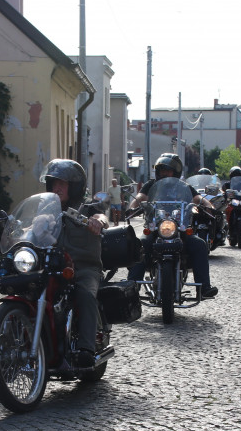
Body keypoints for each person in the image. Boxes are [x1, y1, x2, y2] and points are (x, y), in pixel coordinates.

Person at [42, 159, 107, 366]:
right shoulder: (46, 208)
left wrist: (98, 222)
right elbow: (31, 224)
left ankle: (86, 348)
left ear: (75, 186)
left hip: (84, 267)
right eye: (54, 183)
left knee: (86, 294)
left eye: (63, 183)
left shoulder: (88, 208)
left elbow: (102, 216)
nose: (57, 187)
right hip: (52, 266)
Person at [126, 153, 218, 298]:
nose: (164, 173)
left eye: (167, 170)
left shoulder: (184, 186)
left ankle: (204, 287)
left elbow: (197, 198)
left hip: (180, 227)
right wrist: (133, 207)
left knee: (199, 244)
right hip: (154, 227)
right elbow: (140, 197)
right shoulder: (151, 185)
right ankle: (131, 286)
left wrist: (207, 205)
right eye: (161, 170)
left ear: (175, 172)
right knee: (139, 244)